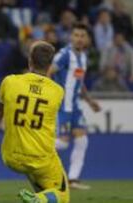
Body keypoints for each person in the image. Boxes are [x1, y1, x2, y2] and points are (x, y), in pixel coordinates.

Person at [0, 41, 69, 203]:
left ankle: (38, 197)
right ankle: (37, 200)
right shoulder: (57, 91)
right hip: (40, 158)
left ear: (29, 61)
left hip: (11, 157)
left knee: (44, 188)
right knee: (62, 195)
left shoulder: (10, 82)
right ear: (50, 66)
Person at [51, 23, 101, 190]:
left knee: (82, 140)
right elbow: (49, 70)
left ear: (87, 39)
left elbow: (79, 82)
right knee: (63, 143)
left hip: (75, 107)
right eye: (76, 35)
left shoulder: (83, 57)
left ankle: (72, 179)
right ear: (70, 37)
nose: (79, 39)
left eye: (82, 36)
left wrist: (90, 101)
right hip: (63, 106)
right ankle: (36, 149)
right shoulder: (64, 54)